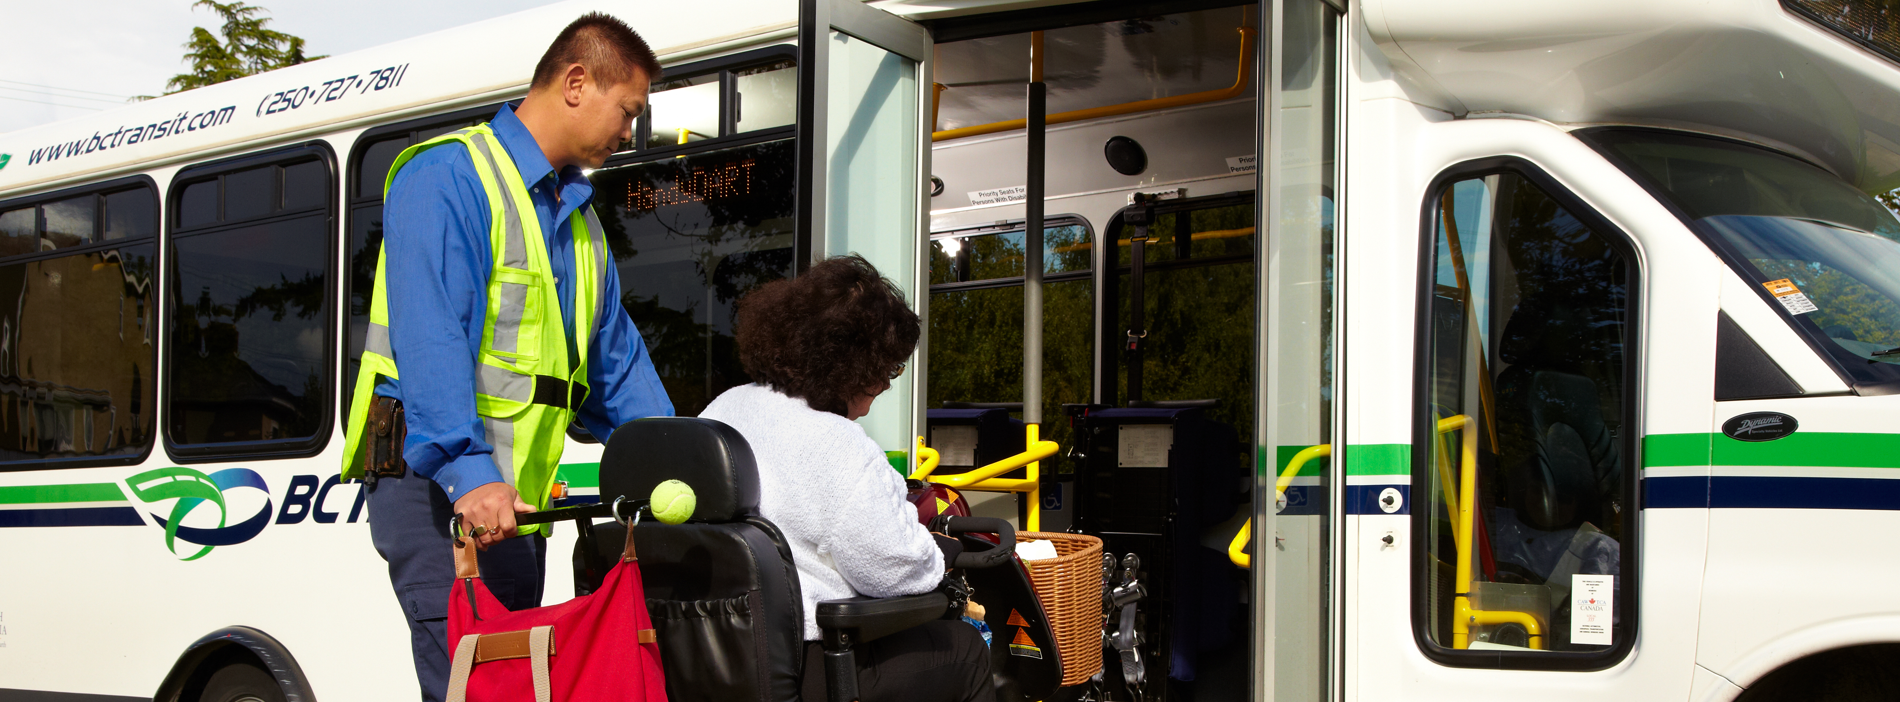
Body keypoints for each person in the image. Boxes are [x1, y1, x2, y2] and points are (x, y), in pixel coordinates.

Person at [337, 13, 673, 701]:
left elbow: (616, 366)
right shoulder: (447, 175)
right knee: (477, 685)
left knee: (514, 687)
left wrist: (682, 457)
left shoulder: (580, 222)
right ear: (576, 83)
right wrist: (469, 476)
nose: (629, 133)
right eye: (628, 111)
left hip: (510, 504)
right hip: (438, 488)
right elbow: (431, 336)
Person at [699, 255, 994, 702]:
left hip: (713, 655)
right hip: (807, 664)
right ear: (853, 366)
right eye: (886, 371)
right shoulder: (836, 442)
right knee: (966, 650)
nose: (886, 386)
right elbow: (892, 571)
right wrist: (938, 553)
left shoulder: (723, 409)